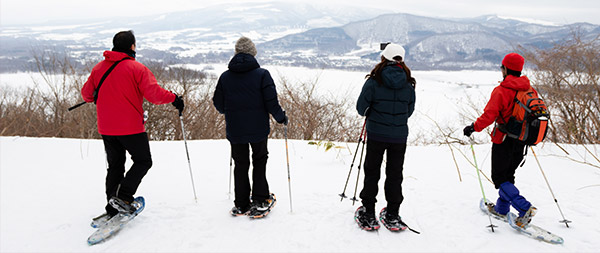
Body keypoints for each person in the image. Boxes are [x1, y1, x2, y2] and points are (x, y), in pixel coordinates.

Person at [81, 31, 184, 220]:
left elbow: (86, 95)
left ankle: (112, 206)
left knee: (115, 166)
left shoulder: (98, 69)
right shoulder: (137, 68)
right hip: (130, 127)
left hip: (107, 128)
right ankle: (124, 197)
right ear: (132, 47)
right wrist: (174, 98)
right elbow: (154, 95)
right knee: (144, 161)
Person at [213, 36, 287, 217]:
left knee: (240, 163)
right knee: (260, 160)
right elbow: (271, 103)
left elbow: (218, 104)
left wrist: (229, 112)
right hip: (258, 129)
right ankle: (260, 199)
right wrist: (281, 118)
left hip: (235, 129)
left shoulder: (225, 77)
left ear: (236, 53)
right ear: (253, 53)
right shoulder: (262, 74)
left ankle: (241, 203)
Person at [463, 53, 537, 228]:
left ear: (505, 69)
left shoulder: (502, 90)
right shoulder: (529, 89)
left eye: (501, 67)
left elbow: (489, 115)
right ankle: (502, 209)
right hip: (521, 140)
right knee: (507, 176)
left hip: (503, 139)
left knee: (499, 178)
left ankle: (524, 208)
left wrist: (473, 127)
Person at [355, 43, 416, 231]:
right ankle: (392, 214)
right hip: (399, 136)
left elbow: (361, 108)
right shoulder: (409, 83)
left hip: (376, 134)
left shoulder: (374, 81)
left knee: (372, 172)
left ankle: (368, 211)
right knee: (395, 174)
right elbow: (409, 111)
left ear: (384, 58)